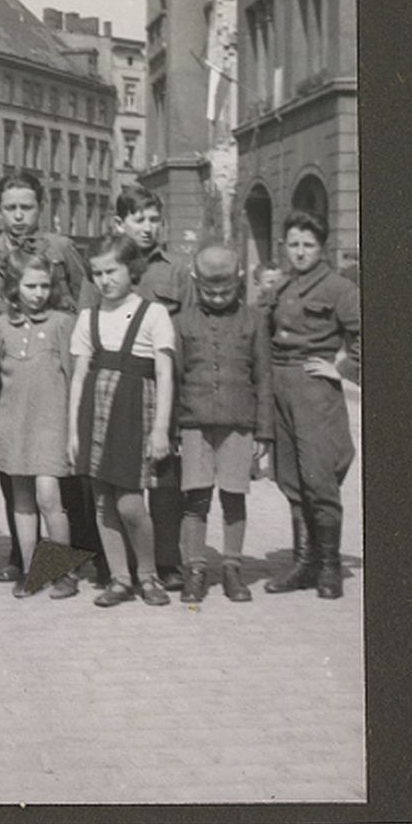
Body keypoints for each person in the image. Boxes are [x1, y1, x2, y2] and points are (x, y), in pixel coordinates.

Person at [0, 170, 86, 583]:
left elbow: (82, 298)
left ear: (41, 207)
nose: (19, 216)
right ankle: (24, 559)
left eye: (27, 207)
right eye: (11, 208)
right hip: (6, 372)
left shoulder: (61, 248)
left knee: (54, 485)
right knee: (15, 478)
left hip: (50, 370)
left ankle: (64, 559)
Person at [78, 185, 193, 591]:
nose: (148, 227)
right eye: (138, 219)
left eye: (154, 219)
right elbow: (85, 339)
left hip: (161, 391)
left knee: (164, 486)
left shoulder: (176, 271)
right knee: (110, 490)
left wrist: (179, 410)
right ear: (119, 223)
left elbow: (188, 337)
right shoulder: (101, 269)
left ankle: (166, 562)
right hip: (111, 394)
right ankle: (118, 567)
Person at [69, 233, 175, 608]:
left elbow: (164, 374)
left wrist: (161, 428)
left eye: (112, 271)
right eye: (97, 273)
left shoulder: (154, 314)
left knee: (130, 503)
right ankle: (119, 578)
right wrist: (73, 432)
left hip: (135, 415)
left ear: (132, 269)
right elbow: (79, 377)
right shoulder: (89, 317)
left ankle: (148, 574)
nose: (105, 280)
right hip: (95, 416)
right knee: (103, 502)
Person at [264, 210, 360, 600]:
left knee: (320, 478)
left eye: (308, 245)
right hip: (280, 387)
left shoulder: (340, 288)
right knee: (290, 478)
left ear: (322, 247)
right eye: (293, 244)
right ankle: (304, 564)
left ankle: (329, 567)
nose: (300, 252)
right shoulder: (282, 286)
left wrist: (342, 369)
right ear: (284, 247)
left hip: (314, 390)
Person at [174, 245, 273, 602]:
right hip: (194, 424)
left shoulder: (254, 321)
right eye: (209, 291)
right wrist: (173, 430)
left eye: (225, 290)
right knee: (196, 498)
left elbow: (264, 377)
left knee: (233, 496)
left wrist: (264, 431)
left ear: (240, 280)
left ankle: (232, 568)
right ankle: (195, 569)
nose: (217, 297)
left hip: (239, 423)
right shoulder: (181, 322)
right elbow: (175, 377)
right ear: (195, 281)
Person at [0, 249, 77, 599]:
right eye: (31, 286)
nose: (39, 293)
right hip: (14, 423)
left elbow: (74, 377)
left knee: (48, 496)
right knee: (22, 499)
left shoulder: (62, 323)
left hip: (52, 424)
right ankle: (30, 571)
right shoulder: (1, 326)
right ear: (15, 287)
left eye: (44, 286)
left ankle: (62, 571)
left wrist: (73, 430)